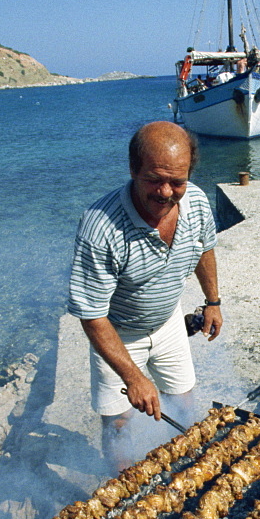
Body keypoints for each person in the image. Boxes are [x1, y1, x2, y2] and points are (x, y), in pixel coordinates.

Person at [67, 121, 222, 465]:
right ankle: (122, 496)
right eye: (154, 179)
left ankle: (182, 474)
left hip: (168, 323)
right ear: (133, 170)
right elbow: (92, 314)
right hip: (119, 333)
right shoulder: (100, 228)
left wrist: (212, 301)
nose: (166, 192)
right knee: (119, 423)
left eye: (177, 181)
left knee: (184, 407)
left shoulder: (195, 201)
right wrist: (134, 377)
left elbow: (204, 248)